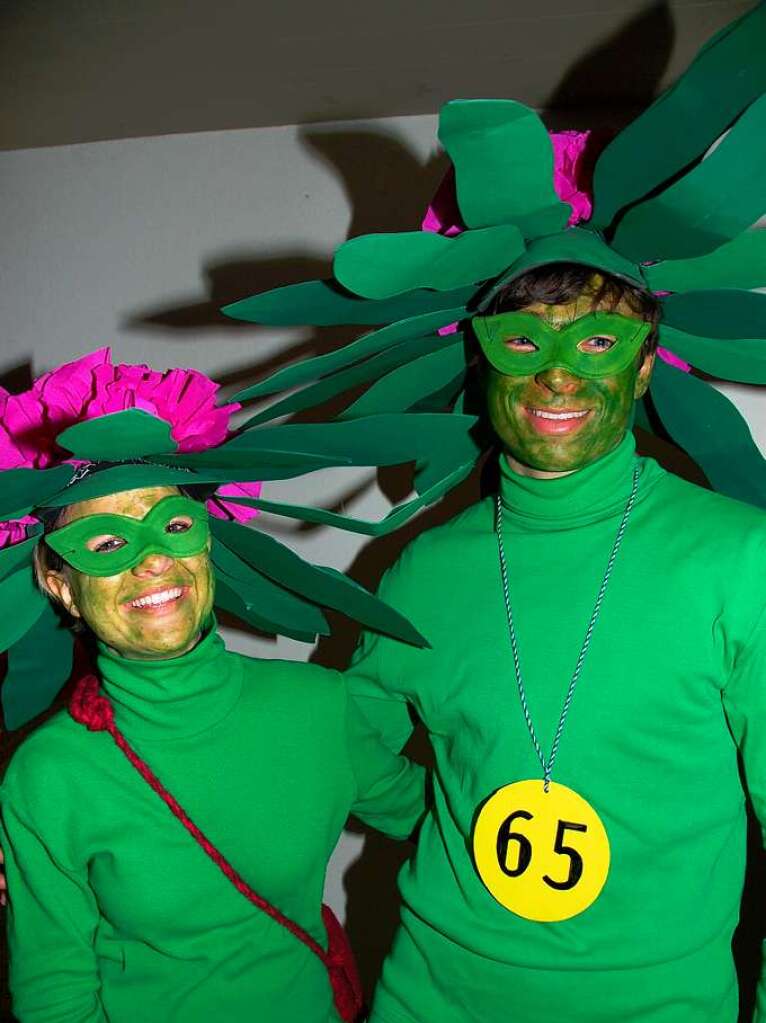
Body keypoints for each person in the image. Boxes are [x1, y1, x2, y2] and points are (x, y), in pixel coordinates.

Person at [220, 7, 766, 1019]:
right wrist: (440, 813)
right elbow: (345, 733)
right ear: (479, 358)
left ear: (646, 364)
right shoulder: (425, 569)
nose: (557, 372)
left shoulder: (742, 560)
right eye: (522, 340)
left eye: (596, 343)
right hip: (430, 995)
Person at [0, 351, 431, 1023]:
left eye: (173, 527)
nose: (151, 562)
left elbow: (452, 830)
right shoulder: (47, 777)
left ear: (208, 543)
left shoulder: (318, 707)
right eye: (106, 543)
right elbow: (54, 993)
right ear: (61, 584)